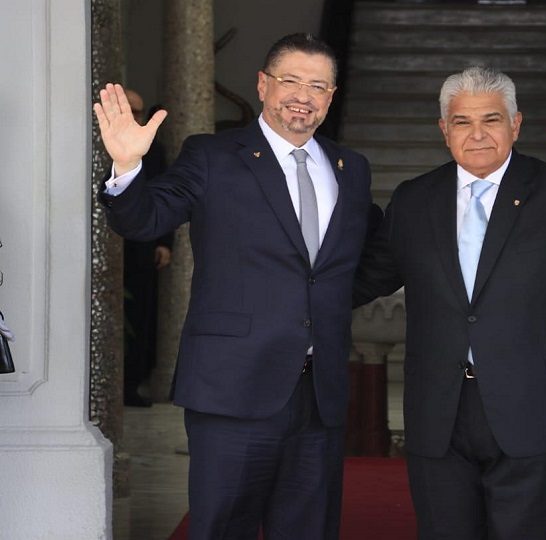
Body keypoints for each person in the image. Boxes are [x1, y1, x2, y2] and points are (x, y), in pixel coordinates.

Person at [94, 34, 374, 539]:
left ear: (331, 97)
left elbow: (361, 259)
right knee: (223, 528)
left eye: (318, 85)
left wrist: (325, 304)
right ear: (263, 85)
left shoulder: (350, 168)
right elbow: (144, 218)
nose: (302, 95)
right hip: (232, 388)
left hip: (319, 394)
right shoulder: (212, 155)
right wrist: (128, 169)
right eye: (290, 80)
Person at [354, 66, 546, 539]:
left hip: (539, 406)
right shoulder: (413, 199)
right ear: (444, 130)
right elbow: (368, 279)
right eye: (463, 122)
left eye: (492, 119)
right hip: (440, 410)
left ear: (516, 124)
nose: (478, 134)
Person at [121, 89, 173, 408]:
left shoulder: (153, 150)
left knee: (140, 317)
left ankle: (131, 384)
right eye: (130, 111)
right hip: (103, 246)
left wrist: (165, 243)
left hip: (141, 249)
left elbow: (164, 197)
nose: (135, 118)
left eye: (139, 113)